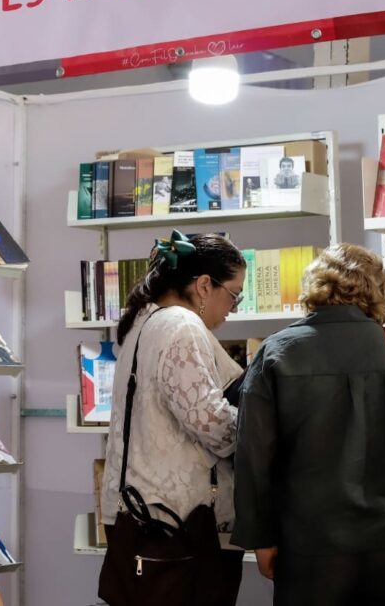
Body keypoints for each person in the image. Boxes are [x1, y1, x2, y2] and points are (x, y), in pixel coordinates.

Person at [232, 243, 385, 606]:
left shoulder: (276, 351)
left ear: (315, 286)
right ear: (379, 289)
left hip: (308, 546)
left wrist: (261, 538)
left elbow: (253, 458)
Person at [98, 230, 247, 605]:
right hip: (177, 521)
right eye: (234, 295)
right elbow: (211, 424)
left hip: (138, 510)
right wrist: (255, 426)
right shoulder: (182, 325)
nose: (233, 308)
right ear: (203, 285)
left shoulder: (143, 321)